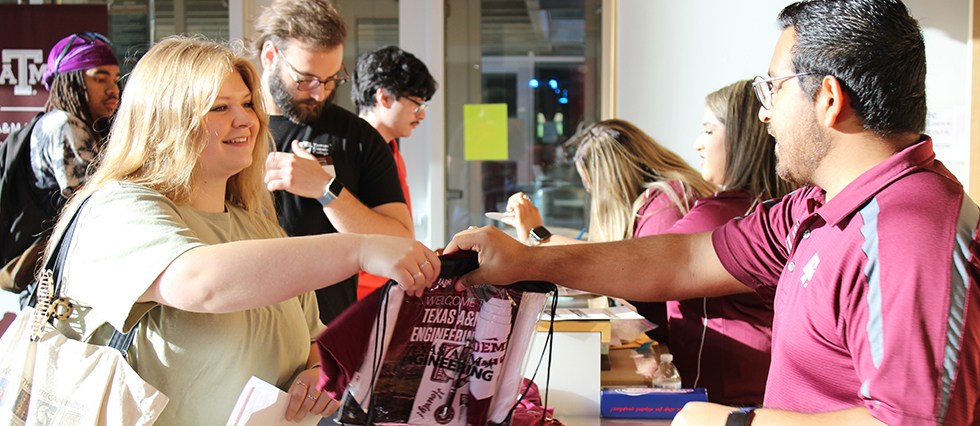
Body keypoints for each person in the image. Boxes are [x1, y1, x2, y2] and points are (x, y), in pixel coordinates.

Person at [445, 0, 979, 424]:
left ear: (829, 98)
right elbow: (685, 259)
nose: (764, 113)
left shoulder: (908, 229)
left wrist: (732, 423)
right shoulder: (815, 208)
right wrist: (523, 260)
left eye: (772, 88)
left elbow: (912, 421)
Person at [45, 37, 440, 426]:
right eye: (220, 107)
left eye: (248, 103)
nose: (246, 120)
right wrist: (359, 249)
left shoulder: (258, 226)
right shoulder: (118, 208)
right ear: (166, 118)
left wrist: (319, 373)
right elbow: (200, 281)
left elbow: (313, 342)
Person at [253, 0, 413, 324]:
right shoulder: (233, 130)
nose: (319, 93)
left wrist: (327, 190)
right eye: (306, 79)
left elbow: (399, 241)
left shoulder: (356, 137)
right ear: (270, 56)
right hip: (244, 334)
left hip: (327, 337)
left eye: (330, 80)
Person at [500, 119, 714, 343]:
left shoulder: (668, 201)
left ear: (611, 180)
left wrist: (539, 236)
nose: (591, 192)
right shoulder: (661, 199)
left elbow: (637, 272)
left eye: (592, 184)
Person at [663, 80, 797, 406]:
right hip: (760, 385)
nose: (697, 144)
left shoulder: (720, 215)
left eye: (709, 130)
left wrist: (539, 243)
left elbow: (638, 268)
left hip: (724, 395)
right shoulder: (778, 207)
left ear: (741, 138)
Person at [0, 33, 121, 299]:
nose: (113, 89)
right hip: (52, 283)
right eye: (99, 78)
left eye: (115, 79)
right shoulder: (65, 125)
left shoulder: (58, 122)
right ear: (72, 82)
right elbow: (91, 200)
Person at [350, 45, 438, 299]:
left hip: (389, 288)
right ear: (384, 97)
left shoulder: (391, 149)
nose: (421, 116)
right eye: (416, 104)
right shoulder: (350, 151)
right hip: (359, 297)